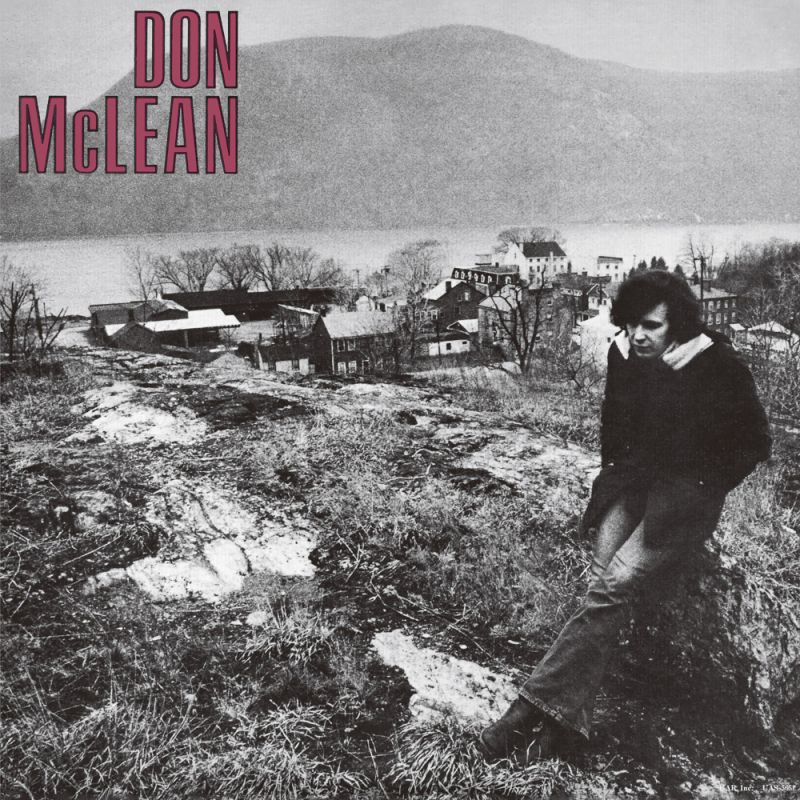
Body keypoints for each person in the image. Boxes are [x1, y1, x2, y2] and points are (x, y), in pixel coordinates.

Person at [479, 270, 771, 764]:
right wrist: (614, 473)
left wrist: (704, 487)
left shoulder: (717, 364)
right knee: (600, 586)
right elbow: (614, 422)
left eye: (651, 325)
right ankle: (573, 726)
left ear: (678, 323)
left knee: (614, 585)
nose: (638, 335)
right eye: (631, 323)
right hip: (634, 485)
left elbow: (755, 443)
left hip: (682, 501)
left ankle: (525, 711)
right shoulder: (624, 353)